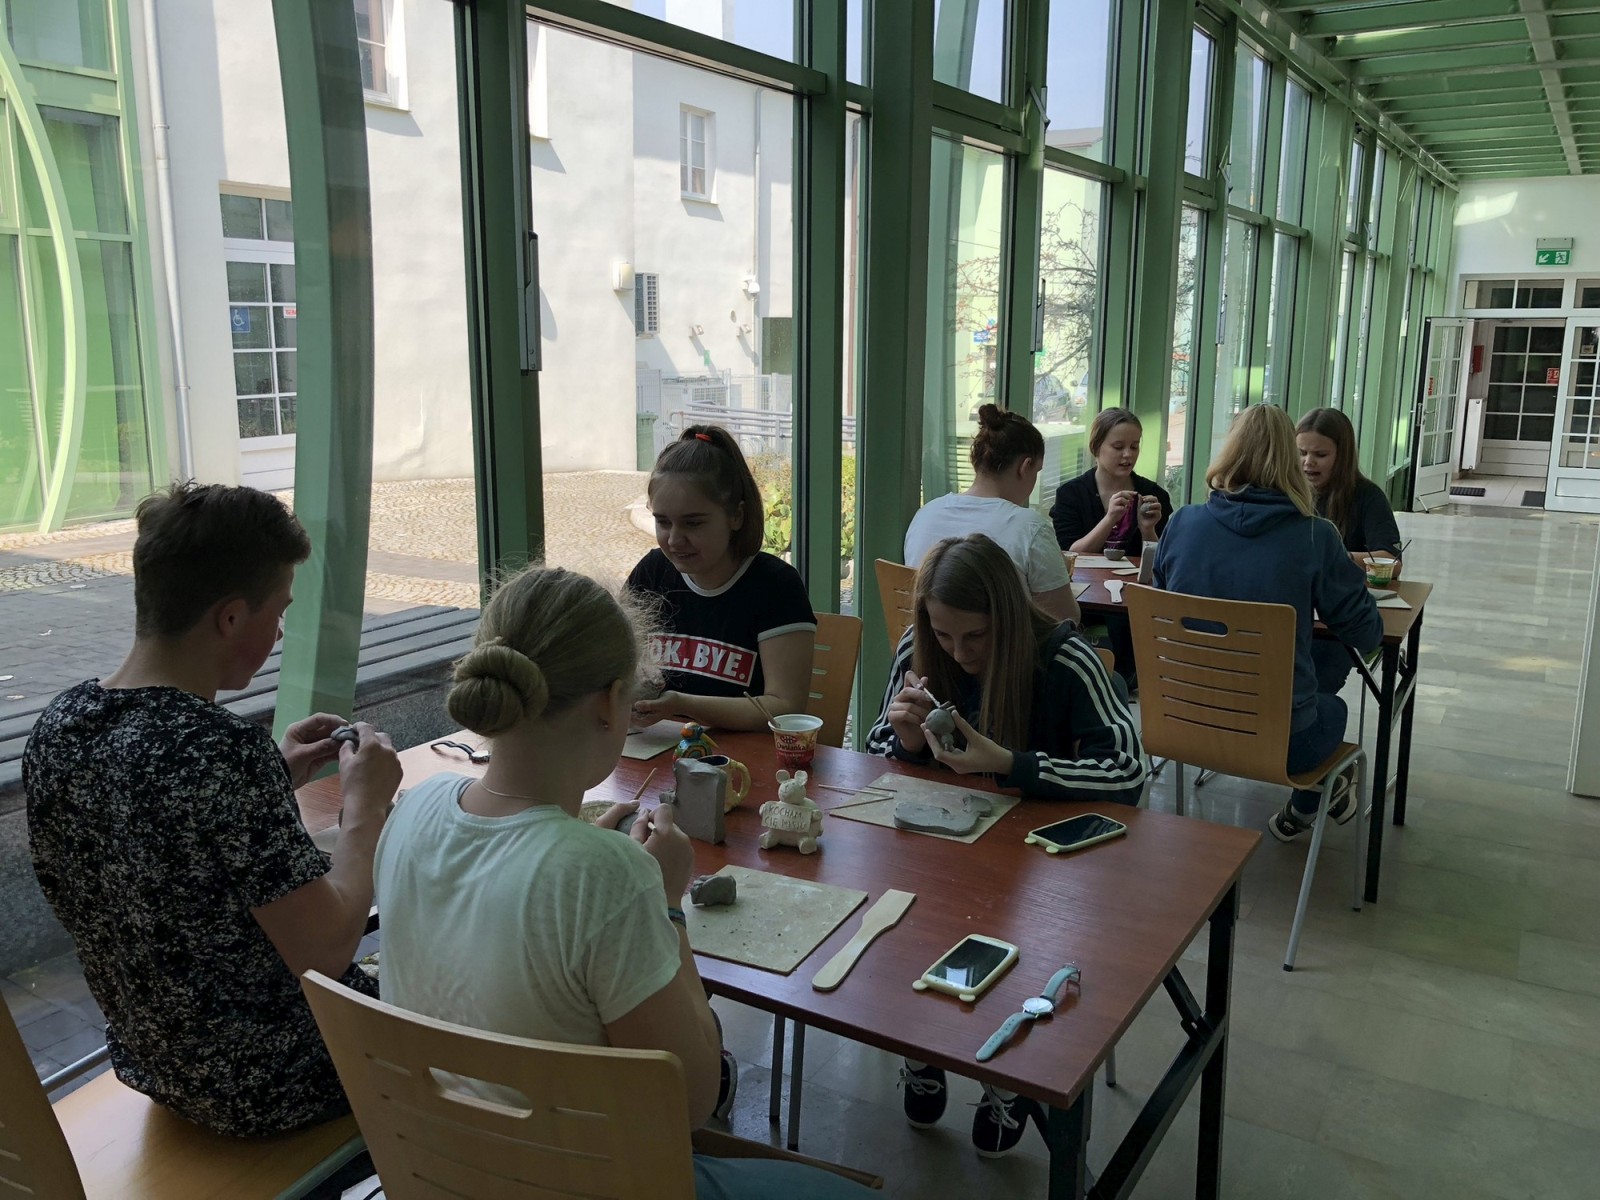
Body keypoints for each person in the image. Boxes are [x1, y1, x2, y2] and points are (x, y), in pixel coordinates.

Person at [372, 567, 874, 1200]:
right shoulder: (605, 874)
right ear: (612, 703)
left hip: (436, 1172)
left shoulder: (414, 808)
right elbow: (690, 1101)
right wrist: (666, 904)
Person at [23, 482, 402, 1137]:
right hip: (279, 1083)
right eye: (277, 612)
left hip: (156, 1068)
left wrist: (272, 775)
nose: (279, 631)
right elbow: (326, 950)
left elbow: (159, 843)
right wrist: (365, 809)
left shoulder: (59, 725)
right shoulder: (219, 751)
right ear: (230, 618)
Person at [864, 533, 1145, 1157]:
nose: (958, 652)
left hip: (1040, 865)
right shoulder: (919, 647)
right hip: (941, 851)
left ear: (1010, 618)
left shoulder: (1066, 658)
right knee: (905, 926)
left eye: (976, 636)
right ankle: (923, 1049)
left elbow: (1128, 772)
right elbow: (875, 751)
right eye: (944, 634)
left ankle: (1008, 1073)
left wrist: (1012, 764)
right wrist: (905, 743)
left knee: (1022, 947)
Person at [1153, 404, 1383, 843]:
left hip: (1182, 722)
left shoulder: (1181, 523)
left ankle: (1315, 797)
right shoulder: (1315, 536)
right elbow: (1366, 633)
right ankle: (1313, 798)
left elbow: (1163, 605)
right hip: (1281, 741)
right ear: (1289, 460)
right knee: (1332, 710)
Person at [627, 425, 816, 731]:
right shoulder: (651, 572)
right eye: (663, 522)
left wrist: (683, 704)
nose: (674, 540)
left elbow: (784, 706)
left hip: (743, 757)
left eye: (693, 523)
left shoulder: (776, 586)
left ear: (736, 516)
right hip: (658, 751)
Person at [903, 404, 1081, 623]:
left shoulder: (926, 514)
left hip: (927, 643)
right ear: (1024, 467)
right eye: (1036, 471)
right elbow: (1065, 619)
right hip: (999, 645)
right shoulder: (1030, 528)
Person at [1049, 408, 1174, 690]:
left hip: (1133, 594)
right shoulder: (1071, 494)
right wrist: (1109, 519)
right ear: (1097, 447)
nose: (1127, 455)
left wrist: (1148, 529)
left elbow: (1163, 559)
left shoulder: (1154, 495)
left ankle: (1127, 679)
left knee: (1127, 619)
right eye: (1118, 447)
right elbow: (1070, 553)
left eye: (1134, 446)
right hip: (1086, 593)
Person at [1297, 406, 1404, 694]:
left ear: (1342, 456)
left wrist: (1336, 557)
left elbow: (1391, 561)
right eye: (1301, 453)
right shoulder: (1286, 492)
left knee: (1318, 677)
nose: (1308, 462)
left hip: (1337, 618)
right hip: (1298, 612)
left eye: (1320, 455)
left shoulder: (1367, 496)